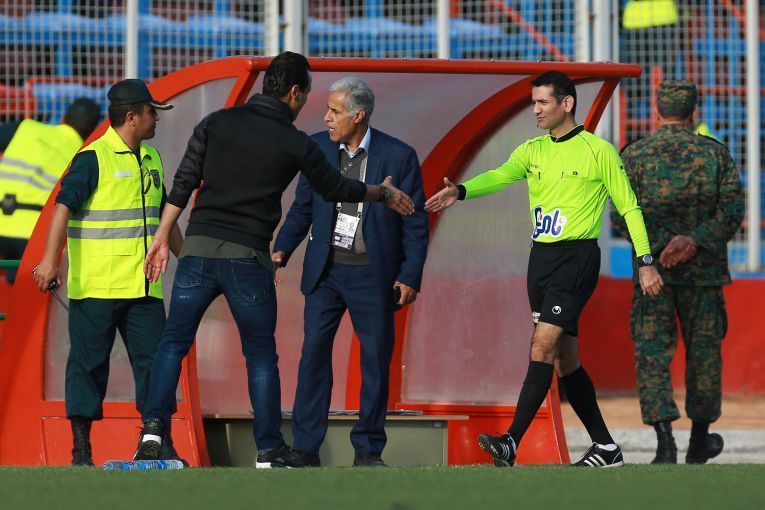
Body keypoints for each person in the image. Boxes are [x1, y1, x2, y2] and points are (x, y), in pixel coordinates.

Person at [132, 52, 415, 468]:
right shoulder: (295, 142)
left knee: (173, 342)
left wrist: (162, 236)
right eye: (307, 97)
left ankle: (153, 430)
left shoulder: (215, 122)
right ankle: (268, 449)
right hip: (247, 259)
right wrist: (381, 193)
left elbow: (184, 181)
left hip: (198, 251)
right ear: (294, 92)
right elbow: (336, 188)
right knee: (261, 355)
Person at [426, 71, 664, 468]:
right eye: (533, 102)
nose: (535, 110)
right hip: (541, 261)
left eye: (542, 102)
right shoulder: (532, 150)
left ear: (566, 103)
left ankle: (511, 442)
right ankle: (606, 447)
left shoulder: (598, 151)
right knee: (564, 359)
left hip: (576, 259)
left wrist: (645, 262)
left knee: (541, 345)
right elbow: (501, 175)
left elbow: (629, 207)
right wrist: (461, 191)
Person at [272, 77, 428, 467]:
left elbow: (414, 222)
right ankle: (305, 448)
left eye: (335, 111)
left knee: (375, 362)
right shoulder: (317, 148)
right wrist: (281, 249)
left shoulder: (399, 156)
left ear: (359, 116)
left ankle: (368, 450)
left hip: (373, 275)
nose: (326, 117)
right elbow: (303, 208)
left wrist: (410, 275)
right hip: (324, 273)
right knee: (313, 356)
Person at [32, 79, 183, 466]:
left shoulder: (151, 158)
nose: (156, 119)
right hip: (97, 287)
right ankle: (81, 451)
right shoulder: (92, 158)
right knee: (88, 368)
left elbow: (164, 218)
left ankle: (158, 440)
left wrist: (189, 260)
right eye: (151, 112)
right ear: (131, 117)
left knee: (157, 366)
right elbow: (62, 208)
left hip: (144, 288)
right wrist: (50, 260)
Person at [611, 80, 744, 464]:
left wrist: (659, 245)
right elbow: (732, 210)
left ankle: (664, 442)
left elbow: (621, 212)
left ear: (657, 111)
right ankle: (699, 439)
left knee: (652, 352)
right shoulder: (715, 154)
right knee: (704, 355)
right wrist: (692, 242)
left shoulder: (635, 155)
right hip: (704, 275)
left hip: (653, 274)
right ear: (693, 111)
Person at [0, 98, 101, 283]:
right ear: (92, 130)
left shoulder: (26, 128)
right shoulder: (84, 153)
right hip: (33, 235)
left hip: (1, 224)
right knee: (26, 292)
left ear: (63, 118)